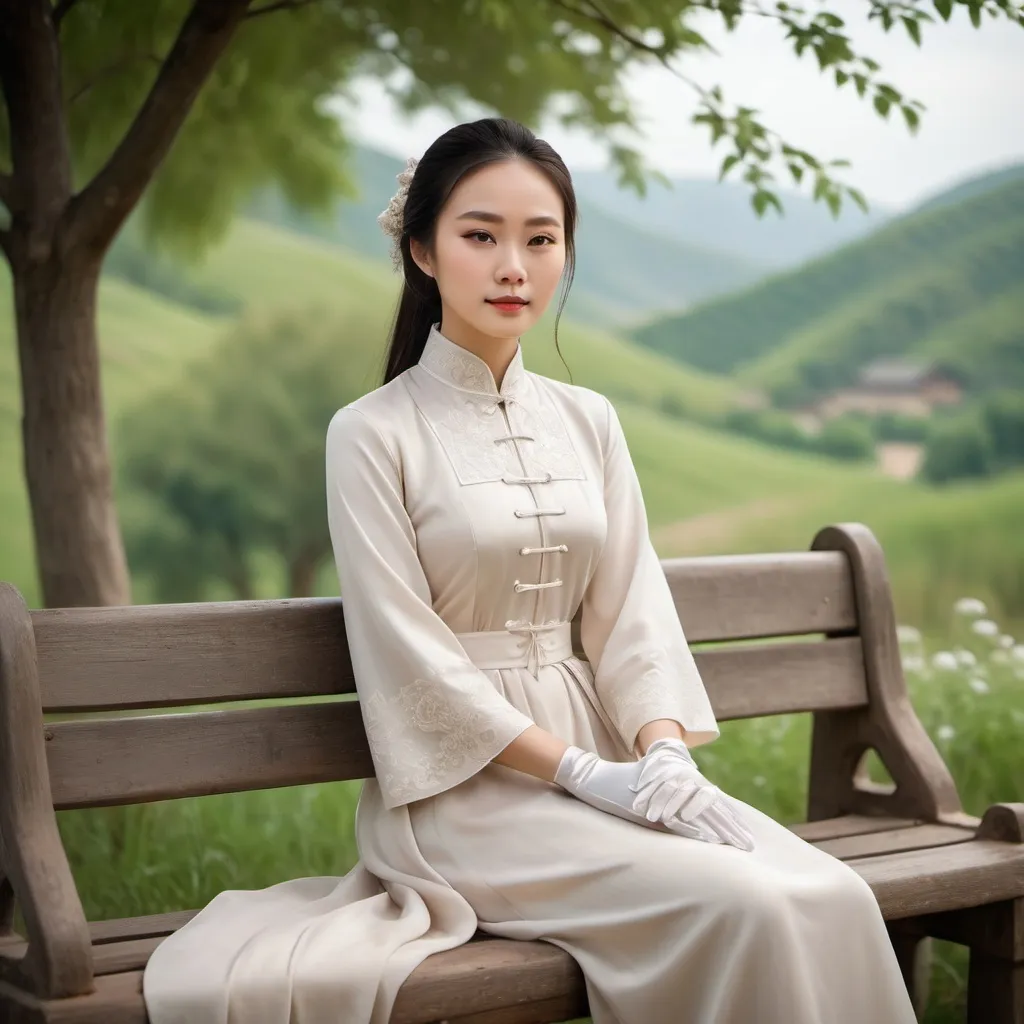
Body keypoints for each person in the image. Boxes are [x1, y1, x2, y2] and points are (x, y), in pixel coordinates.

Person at [142, 117, 918, 1024]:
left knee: (825, 895)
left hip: (620, 766)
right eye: (481, 236)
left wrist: (661, 753)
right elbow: (407, 658)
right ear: (423, 251)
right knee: (744, 904)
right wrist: (588, 777)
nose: (514, 265)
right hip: (465, 802)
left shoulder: (591, 420)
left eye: (540, 240)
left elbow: (631, 612)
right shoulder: (370, 433)